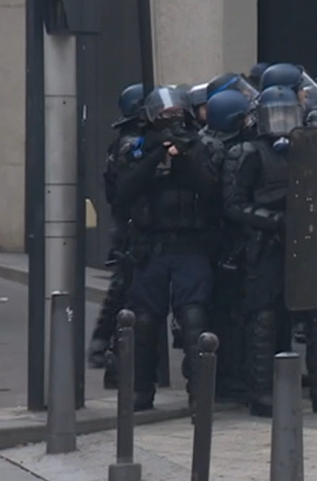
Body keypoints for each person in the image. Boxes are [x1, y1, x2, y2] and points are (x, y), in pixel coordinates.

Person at [225, 86, 317, 416]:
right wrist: (277, 221)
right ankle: (263, 393)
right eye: (275, 115)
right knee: (266, 320)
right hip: (267, 247)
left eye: (288, 115)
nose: (281, 122)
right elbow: (234, 206)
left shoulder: (307, 147)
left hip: (307, 243)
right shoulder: (248, 153)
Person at [114, 86, 221, 410]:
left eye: (176, 114)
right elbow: (122, 193)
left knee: (194, 319)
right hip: (153, 244)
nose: (171, 120)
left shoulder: (204, 145)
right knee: (144, 321)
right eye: (163, 116)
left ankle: (199, 395)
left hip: (191, 244)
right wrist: (155, 155)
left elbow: (213, 193)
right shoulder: (135, 147)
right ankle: (141, 390)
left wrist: (187, 156)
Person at [201, 89, 257, 404]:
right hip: (225, 243)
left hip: (213, 243)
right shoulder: (225, 152)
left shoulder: (205, 145)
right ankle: (229, 378)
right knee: (230, 316)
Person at [88, 83, 145, 373]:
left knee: (124, 288)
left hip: (129, 223)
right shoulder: (130, 144)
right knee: (124, 287)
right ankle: (103, 345)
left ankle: (103, 344)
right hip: (131, 225)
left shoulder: (129, 140)